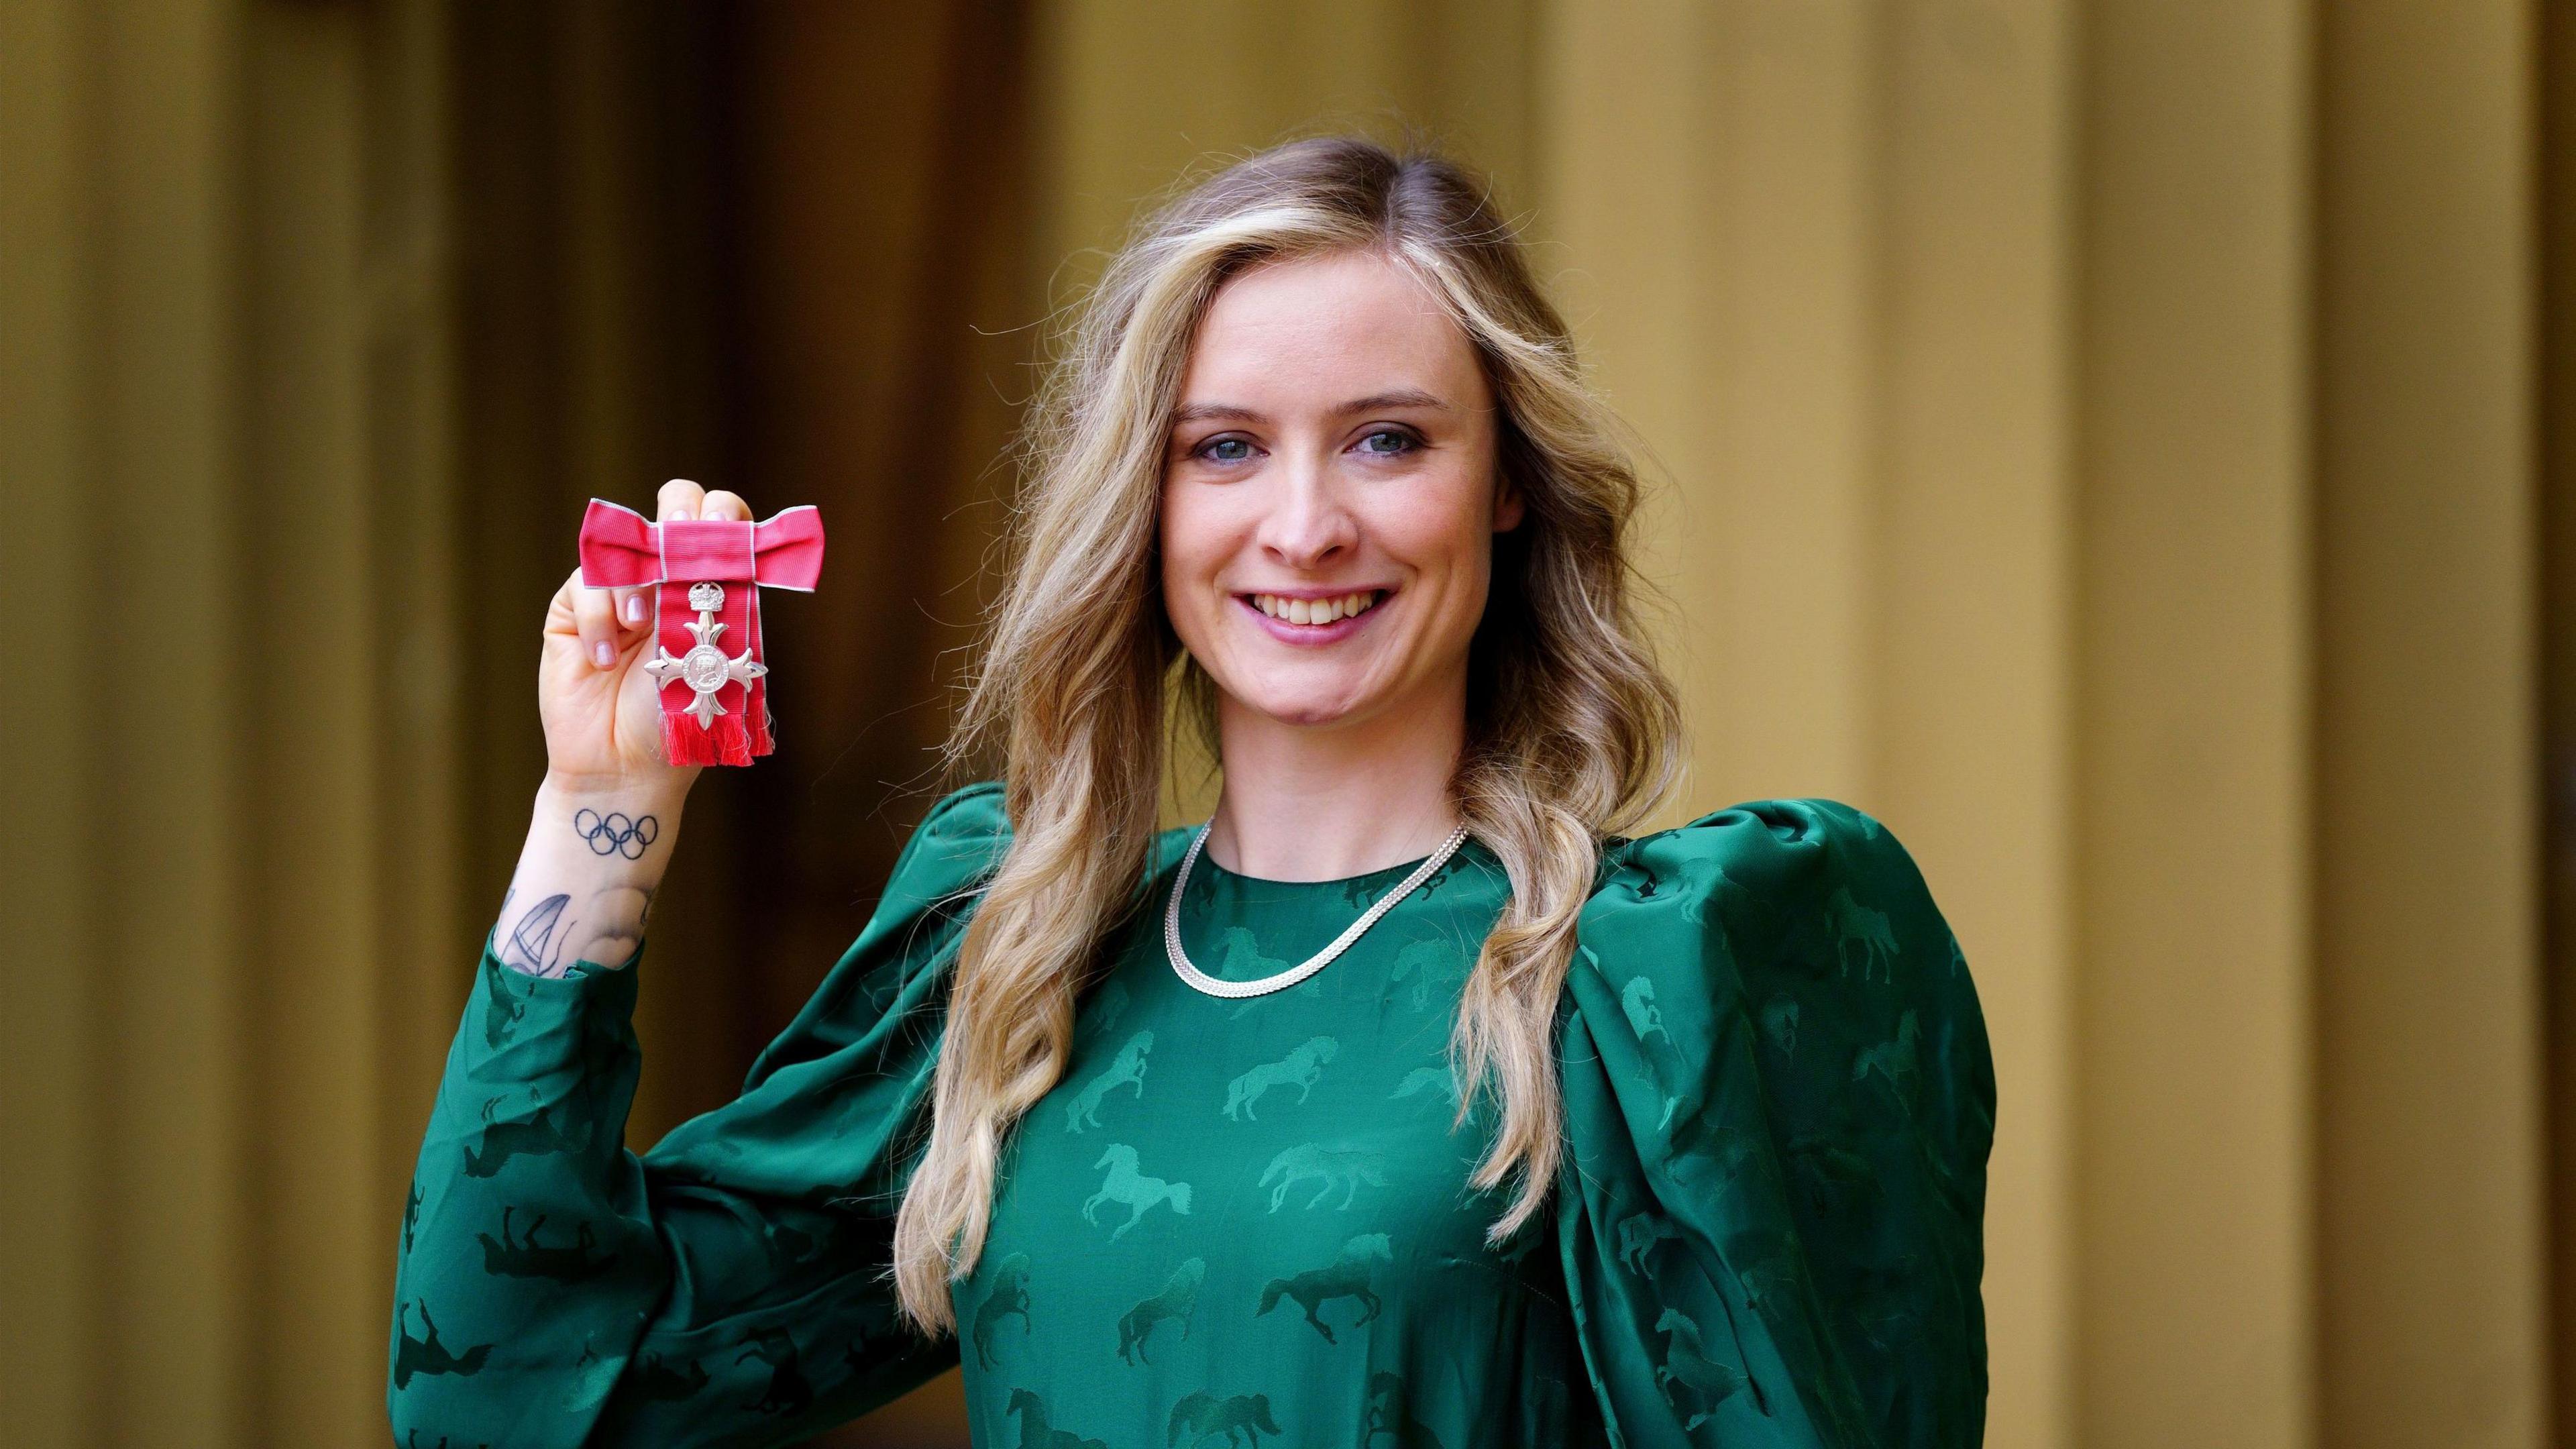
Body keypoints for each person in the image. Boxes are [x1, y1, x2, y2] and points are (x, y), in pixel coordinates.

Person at [388, 136, 1994, 1448]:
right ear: (1139, 502)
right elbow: (514, 1390)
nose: (1302, 527)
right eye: (1223, 449)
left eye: (1385, 441)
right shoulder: (1014, 964)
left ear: (1507, 484)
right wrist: (602, 811)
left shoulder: (1656, 980)